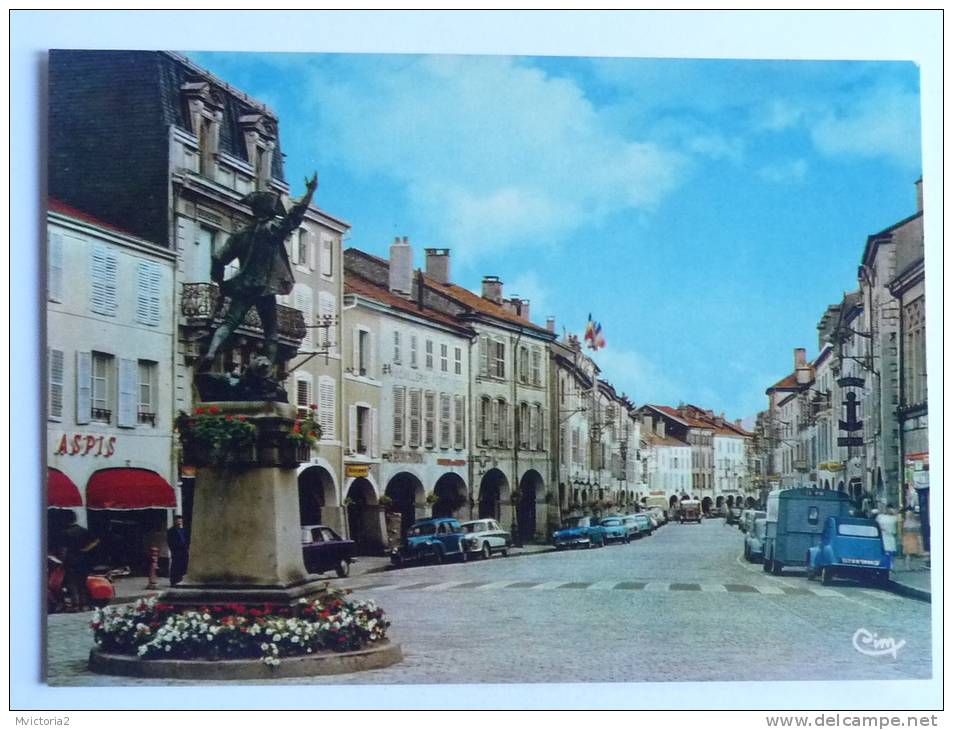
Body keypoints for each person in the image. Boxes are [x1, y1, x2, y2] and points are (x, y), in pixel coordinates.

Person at [200, 174, 318, 370]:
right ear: (268, 210)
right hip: (264, 287)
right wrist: (309, 193)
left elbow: (218, 258)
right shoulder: (271, 230)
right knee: (270, 331)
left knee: (229, 323)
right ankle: (268, 372)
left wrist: (219, 281)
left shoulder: (240, 235)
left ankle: (212, 351)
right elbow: (294, 217)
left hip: (243, 287)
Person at [62, 515, 98, 611]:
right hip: (84, 559)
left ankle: (76, 605)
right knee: (82, 582)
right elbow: (96, 540)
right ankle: (84, 604)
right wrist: (86, 549)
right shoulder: (83, 530)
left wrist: (62, 560)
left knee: (72, 583)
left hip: (71, 560)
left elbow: (64, 549)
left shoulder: (66, 533)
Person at [166, 514, 190, 586]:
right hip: (176, 551)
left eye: (180, 521)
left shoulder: (184, 530)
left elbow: (187, 540)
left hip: (184, 551)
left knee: (183, 566)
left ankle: (181, 580)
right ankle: (173, 581)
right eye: (178, 521)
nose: (179, 522)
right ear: (175, 521)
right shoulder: (171, 531)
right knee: (175, 566)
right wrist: (173, 550)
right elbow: (169, 541)